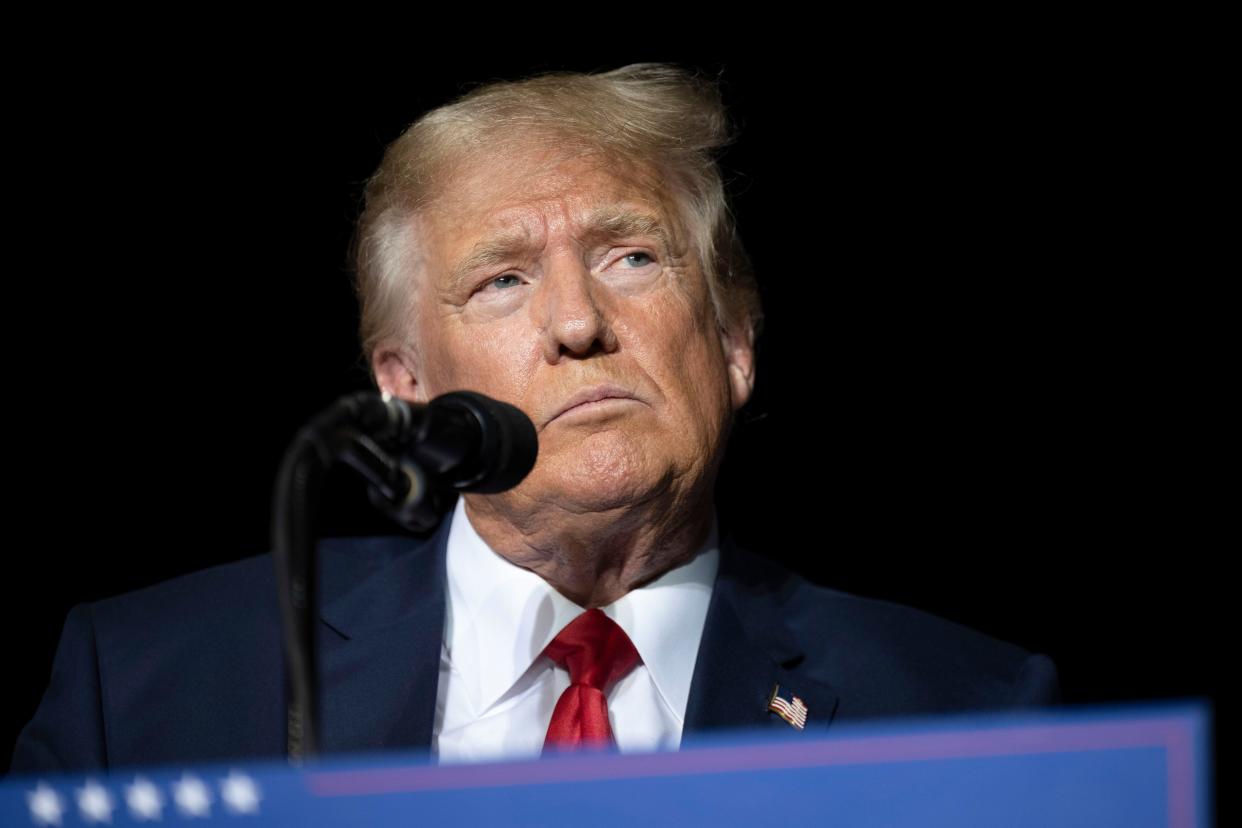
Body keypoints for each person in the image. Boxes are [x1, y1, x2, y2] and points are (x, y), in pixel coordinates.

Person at [10, 64, 1060, 773]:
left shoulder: (970, 717)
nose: (575, 322)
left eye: (632, 257)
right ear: (404, 387)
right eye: (503, 281)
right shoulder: (148, 686)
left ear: (735, 344)